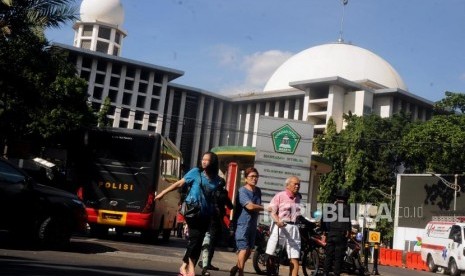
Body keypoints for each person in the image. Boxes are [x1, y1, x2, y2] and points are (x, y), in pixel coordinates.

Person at [155, 152, 222, 276]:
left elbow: (215, 198)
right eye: (203, 159)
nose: (204, 161)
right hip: (192, 212)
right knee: (195, 239)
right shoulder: (196, 172)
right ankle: (191, 270)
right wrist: (163, 192)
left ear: (213, 162)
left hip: (206, 214)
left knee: (197, 242)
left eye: (207, 160)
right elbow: (180, 183)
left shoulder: (217, 180)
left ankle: (183, 267)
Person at [265, 176, 302, 276]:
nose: (297, 186)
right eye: (295, 184)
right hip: (280, 226)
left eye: (299, 184)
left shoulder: (299, 197)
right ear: (288, 185)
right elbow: (272, 211)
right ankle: (271, 273)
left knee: (295, 255)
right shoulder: (280, 196)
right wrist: (277, 221)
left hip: (293, 227)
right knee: (272, 253)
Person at [230, 167, 264, 276]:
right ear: (246, 179)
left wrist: (259, 207)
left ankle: (236, 267)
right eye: (252, 176)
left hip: (253, 224)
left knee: (249, 250)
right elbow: (249, 206)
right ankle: (241, 273)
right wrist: (264, 208)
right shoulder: (242, 191)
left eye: (256, 176)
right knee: (243, 249)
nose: (254, 179)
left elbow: (256, 206)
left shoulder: (258, 191)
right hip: (242, 224)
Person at [199, 179, 234, 274]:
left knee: (206, 239)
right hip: (216, 219)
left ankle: (205, 261)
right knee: (212, 240)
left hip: (207, 217)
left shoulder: (210, 191)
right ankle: (206, 262)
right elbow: (230, 206)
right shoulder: (223, 193)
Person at [322, 188, 351, 276]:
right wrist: (348, 231)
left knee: (329, 255)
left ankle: (325, 273)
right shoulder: (346, 207)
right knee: (338, 256)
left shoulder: (330, 207)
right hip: (341, 235)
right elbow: (347, 221)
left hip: (331, 233)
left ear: (337, 198)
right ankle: (336, 273)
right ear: (346, 198)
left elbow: (323, 220)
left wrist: (324, 233)